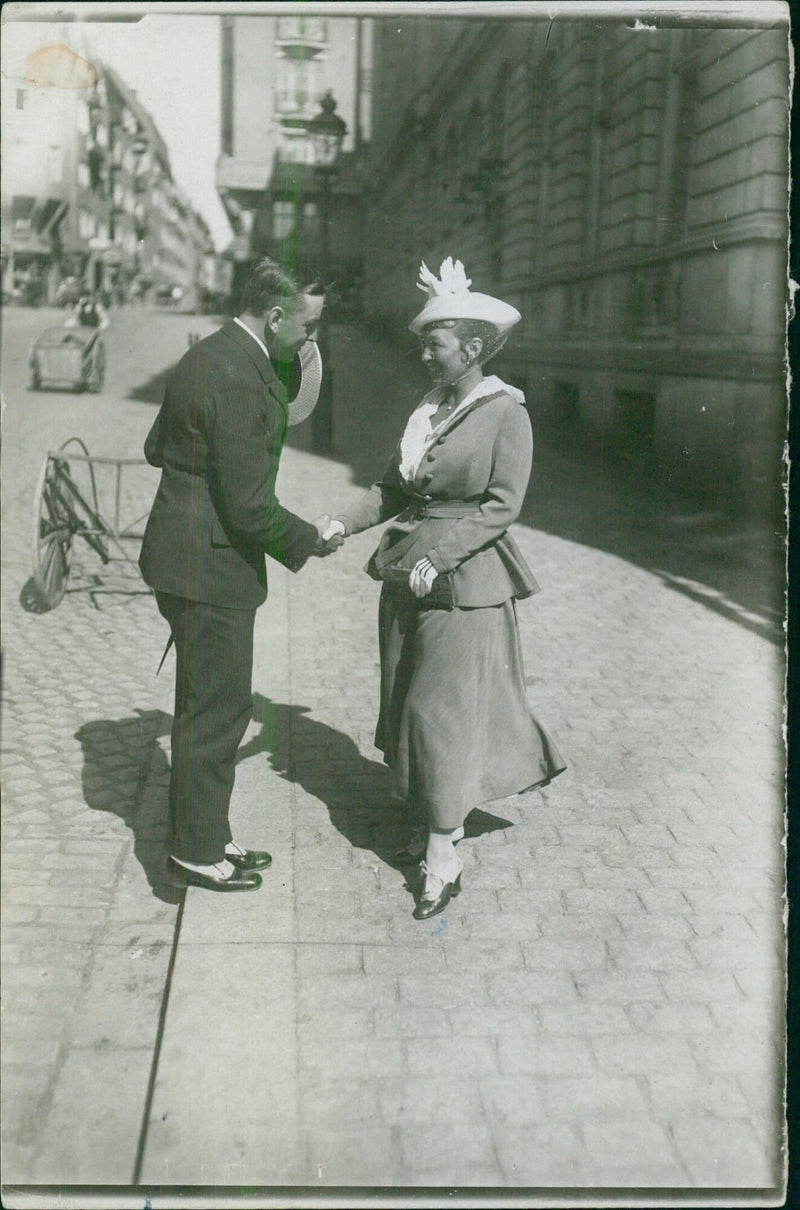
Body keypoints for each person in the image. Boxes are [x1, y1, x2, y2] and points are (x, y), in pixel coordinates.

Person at [321, 257, 566, 920]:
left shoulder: (505, 413)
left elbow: (502, 505)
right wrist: (340, 523)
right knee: (405, 702)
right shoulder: (431, 409)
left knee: (439, 712)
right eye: (424, 343)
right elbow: (395, 489)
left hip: (467, 583)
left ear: (472, 347)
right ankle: (435, 821)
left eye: (434, 343)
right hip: (407, 572)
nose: (424, 353)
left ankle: (441, 857)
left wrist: (444, 557)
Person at [139, 258, 339, 893]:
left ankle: (210, 835)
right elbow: (251, 508)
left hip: (181, 555)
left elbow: (154, 447)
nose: (311, 342)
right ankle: (195, 853)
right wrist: (313, 539)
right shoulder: (243, 375)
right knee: (216, 713)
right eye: (308, 328)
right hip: (212, 566)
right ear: (275, 316)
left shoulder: (206, 354)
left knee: (206, 703)